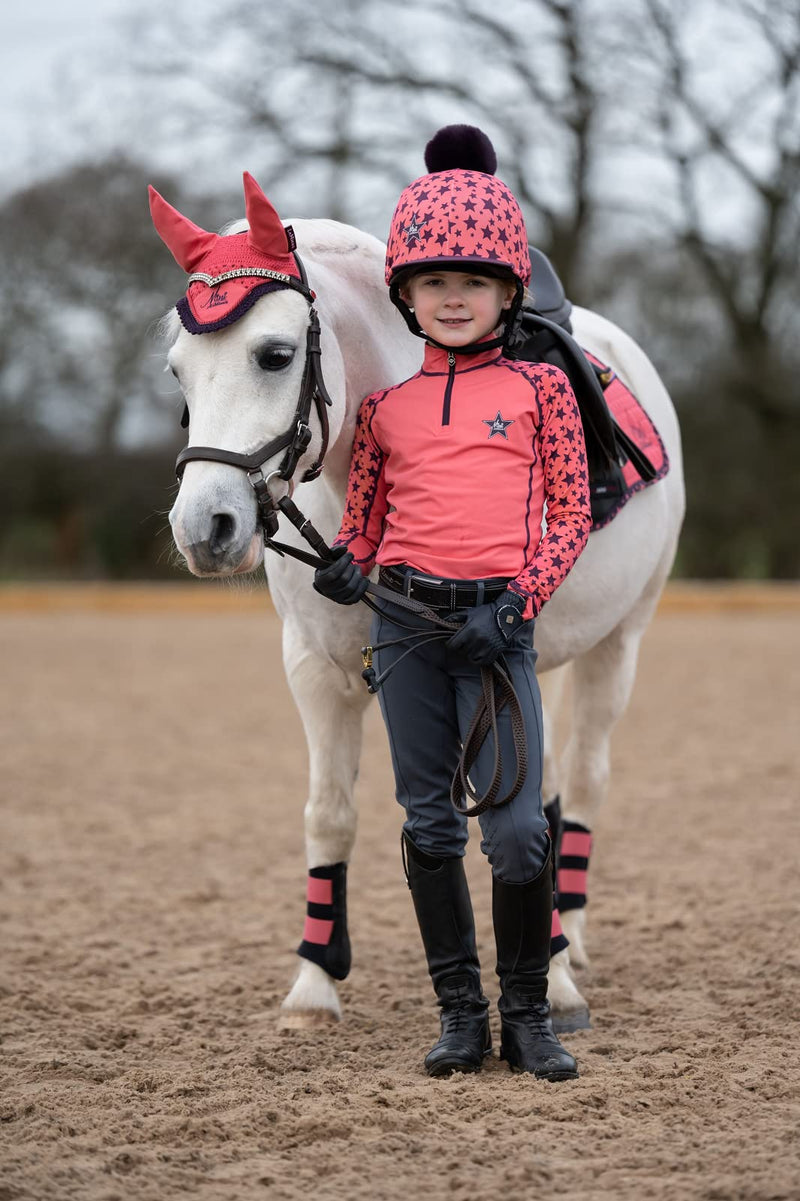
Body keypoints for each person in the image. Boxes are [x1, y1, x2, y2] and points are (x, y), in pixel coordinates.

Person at [314, 125, 592, 1081]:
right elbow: (362, 520)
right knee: (428, 823)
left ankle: (528, 1015)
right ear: (407, 296)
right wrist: (348, 565)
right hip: (406, 630)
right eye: (434, 283)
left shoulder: (545, 389)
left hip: (498, 626)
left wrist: (519, 603)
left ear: (508, 292)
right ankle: (462, 1015)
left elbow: (568, 514)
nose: (454, 297)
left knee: (515, 829)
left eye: (473, 282)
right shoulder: (386, 410)